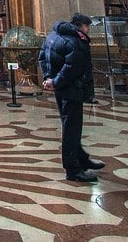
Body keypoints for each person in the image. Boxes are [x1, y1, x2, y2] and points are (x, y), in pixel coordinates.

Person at [38, 13, 105, 183]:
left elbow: (42, 56)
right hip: (72, 88)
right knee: (72, 129)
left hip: (60, 88)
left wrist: (49, 79)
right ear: (79, 26)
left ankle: (82, 159)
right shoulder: (76, 41)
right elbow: (72, 68)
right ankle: (73, 169)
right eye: (87, 26)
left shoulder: (52, 36)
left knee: (70, 125)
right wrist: (57, 81)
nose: (88, 30)